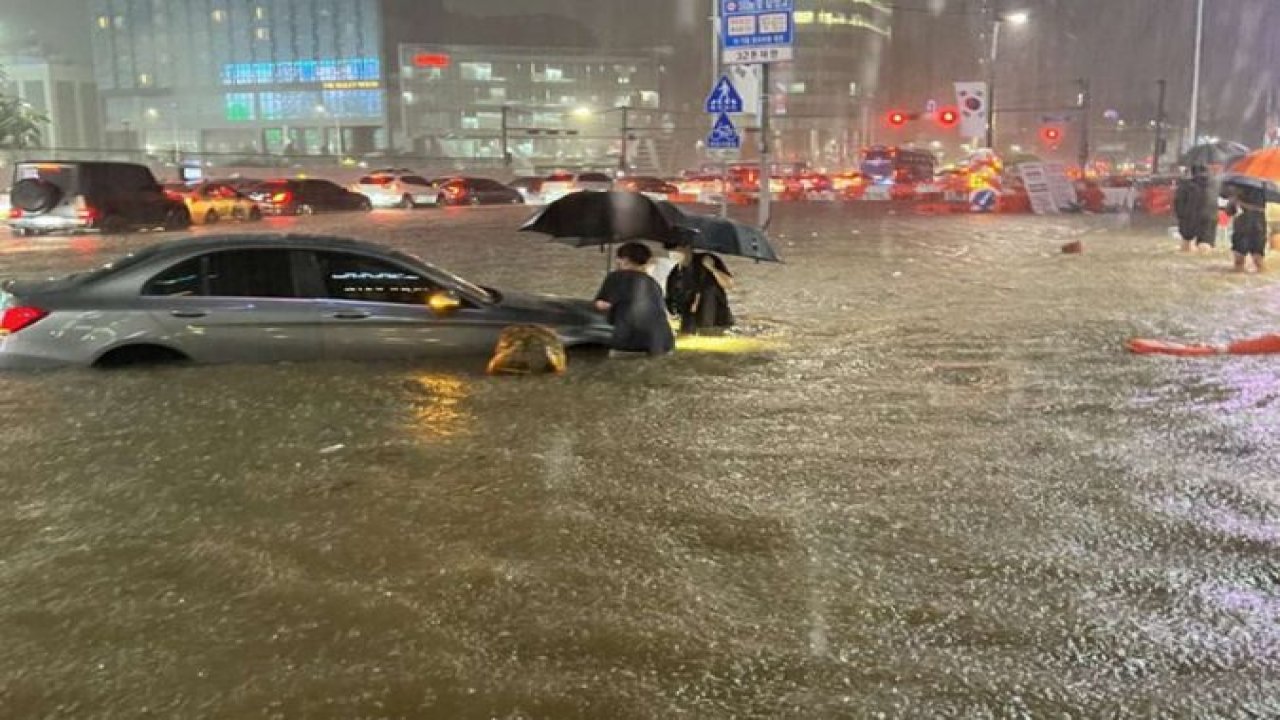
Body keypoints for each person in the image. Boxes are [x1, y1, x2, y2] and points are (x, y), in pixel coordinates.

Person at [593, 242, 675, 356]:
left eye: (618, 258)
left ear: (625, 260)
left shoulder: (615, 277)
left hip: (630, 343)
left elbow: (601, 305)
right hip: (664, 342)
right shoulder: (653, 283)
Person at [666, 245, 734, 335]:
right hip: (690, 323)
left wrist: (712, 269)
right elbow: (671, 303)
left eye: (676, 248)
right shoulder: (674, 274)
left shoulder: (707, 260)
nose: (674, 252)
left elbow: (729, 284)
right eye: (671, 249)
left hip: (716, 319)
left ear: (687, 248)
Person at [1174, 165, 1217, 252]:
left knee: (1187, 243)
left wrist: (1180, 215)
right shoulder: (1215, 183)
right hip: (1210, 215)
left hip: (1190, 215)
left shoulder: (1186, 184)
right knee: (1205, 243)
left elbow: (1178, 201)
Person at [1224, 185, 1267, 273]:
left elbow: (1229, 211)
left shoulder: (1237, 185)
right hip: (1259, 225)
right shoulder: (1263, 185)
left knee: (1239, 264)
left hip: (1242, 226)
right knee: (1258, 261)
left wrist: (1234, 200)